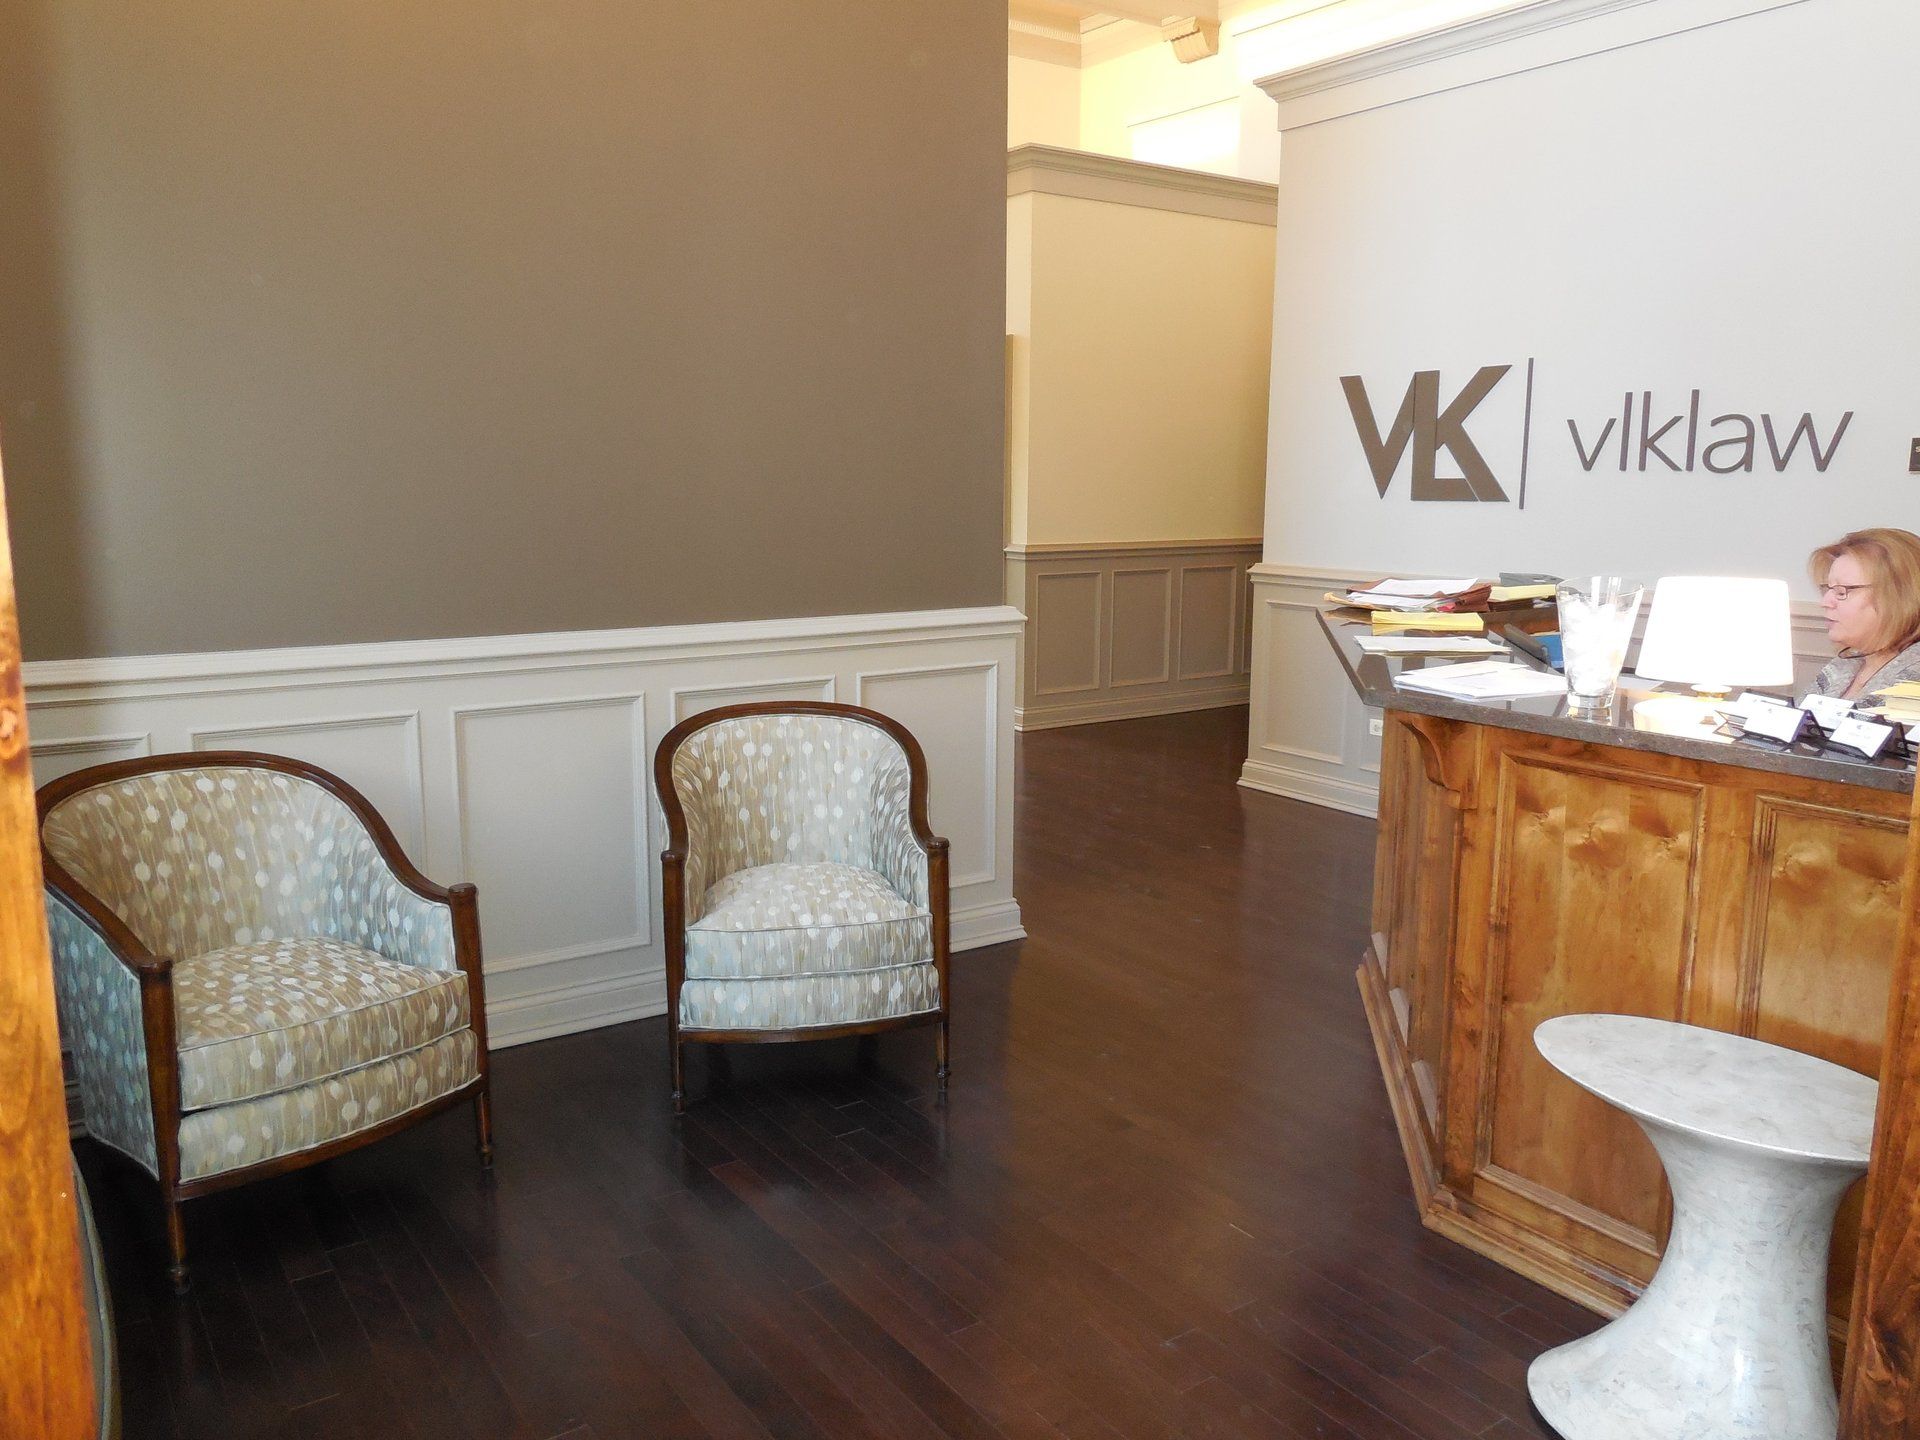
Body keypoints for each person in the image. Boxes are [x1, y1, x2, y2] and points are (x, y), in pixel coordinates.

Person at [1809, 528, 1920, 698]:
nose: (1825, 603)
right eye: (1827, 589)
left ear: (1898, 597)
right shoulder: (1844, 663)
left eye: (1841, 592)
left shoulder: (1914, 677)